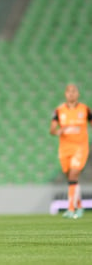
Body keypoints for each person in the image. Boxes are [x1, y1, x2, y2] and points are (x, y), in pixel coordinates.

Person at [50, 83, 92, 219]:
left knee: (74, 175)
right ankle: (79, 206)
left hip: (80, 147)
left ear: (78, 94)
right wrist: (59, 131)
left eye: (74, 91)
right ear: (65, 94)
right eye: (69, 92)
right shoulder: (59, 110)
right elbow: (52, 130)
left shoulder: (85, 109)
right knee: (71, 178)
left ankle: (70, 208)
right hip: (64, 148)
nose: (72, 94)